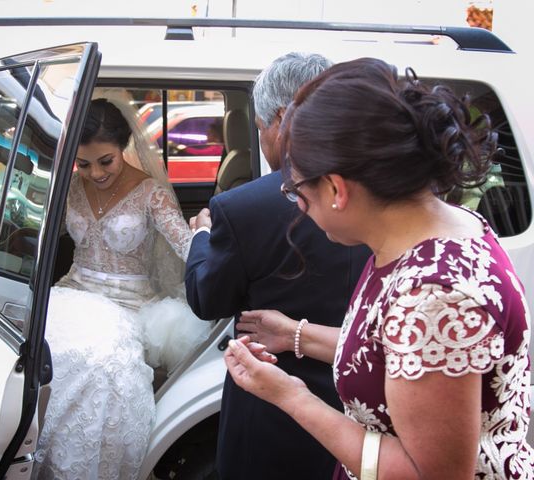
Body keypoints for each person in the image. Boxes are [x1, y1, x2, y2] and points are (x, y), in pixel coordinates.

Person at [225, 57, 534, 479]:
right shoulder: (436, 229)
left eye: (297, 190)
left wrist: (291, 395)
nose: (297, 205)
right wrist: (295, 335)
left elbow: (427, 475)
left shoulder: (434, 294)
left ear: (336, 189)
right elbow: (395, 351)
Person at [184, 52, 370, 479]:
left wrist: (200, 235)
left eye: (260, 125)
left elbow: (207, 297)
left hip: (269, 408)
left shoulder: (241, 207)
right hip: (360, 407)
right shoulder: (377, 192)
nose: (262, 138)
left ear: (284, 119)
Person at [33, 96, 211, 480]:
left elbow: (186, 245)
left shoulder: (151, 194)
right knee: (35, 348)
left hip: (127, 305)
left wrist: (206, 232)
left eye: (105, 161)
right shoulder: (70, 186)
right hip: (72, 291)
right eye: (83, 164)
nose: (95, 173)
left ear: (124, 147)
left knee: (101, 364)